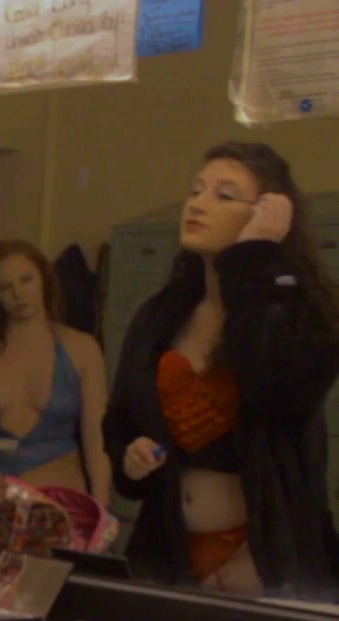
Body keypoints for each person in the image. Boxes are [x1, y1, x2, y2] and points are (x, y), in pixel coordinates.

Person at [103, 143, 339, 597]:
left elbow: (275, 385)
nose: (197, 204)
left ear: (268, 213)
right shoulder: (160, 315)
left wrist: (256, 257)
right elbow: (120, 420)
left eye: (224, 195)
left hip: (263, 560)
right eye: (196, 191)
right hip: (167, 554)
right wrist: (130, 457)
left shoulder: (300, 312)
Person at [0, 240, 110, 503]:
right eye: (5, 288)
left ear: (44, 280)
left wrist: (101, 506)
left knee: (26, 502)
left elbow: (97, 439)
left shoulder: (82, 348)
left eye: (26, 280)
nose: (18, 294)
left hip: (55, 467)